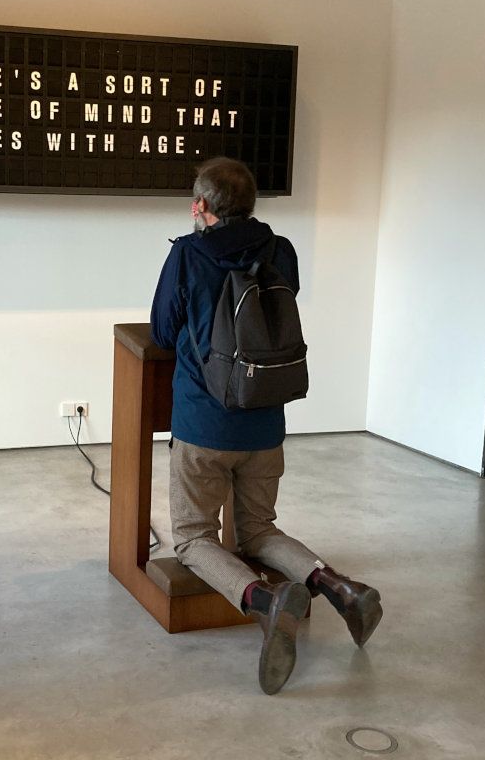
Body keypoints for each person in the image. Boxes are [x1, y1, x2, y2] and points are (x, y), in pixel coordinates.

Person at [150, 157, 383, 695]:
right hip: (265, 423)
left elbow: (164, 330)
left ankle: (265, 600)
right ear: (252, 204)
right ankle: (337, 585)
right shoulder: (281, 250)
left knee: (192, 539)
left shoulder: (188, 253)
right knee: (258, 531)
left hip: (203, 423)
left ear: (201, 206)